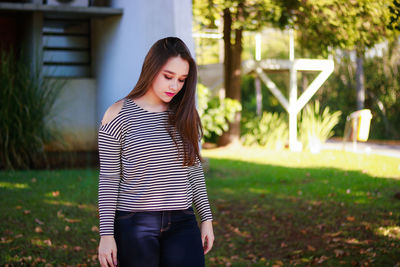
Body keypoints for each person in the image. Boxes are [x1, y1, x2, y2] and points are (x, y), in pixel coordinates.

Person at [97, 37, 214, 267]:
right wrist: (106, 235)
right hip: (134, 223)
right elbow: (109, 179)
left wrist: (206, 219)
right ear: (151, 69)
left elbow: (194, 171)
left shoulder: (186, 115)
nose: (174, 86)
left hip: (183, 220)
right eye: (168, 76)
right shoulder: (117, 115)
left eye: (181, 79)